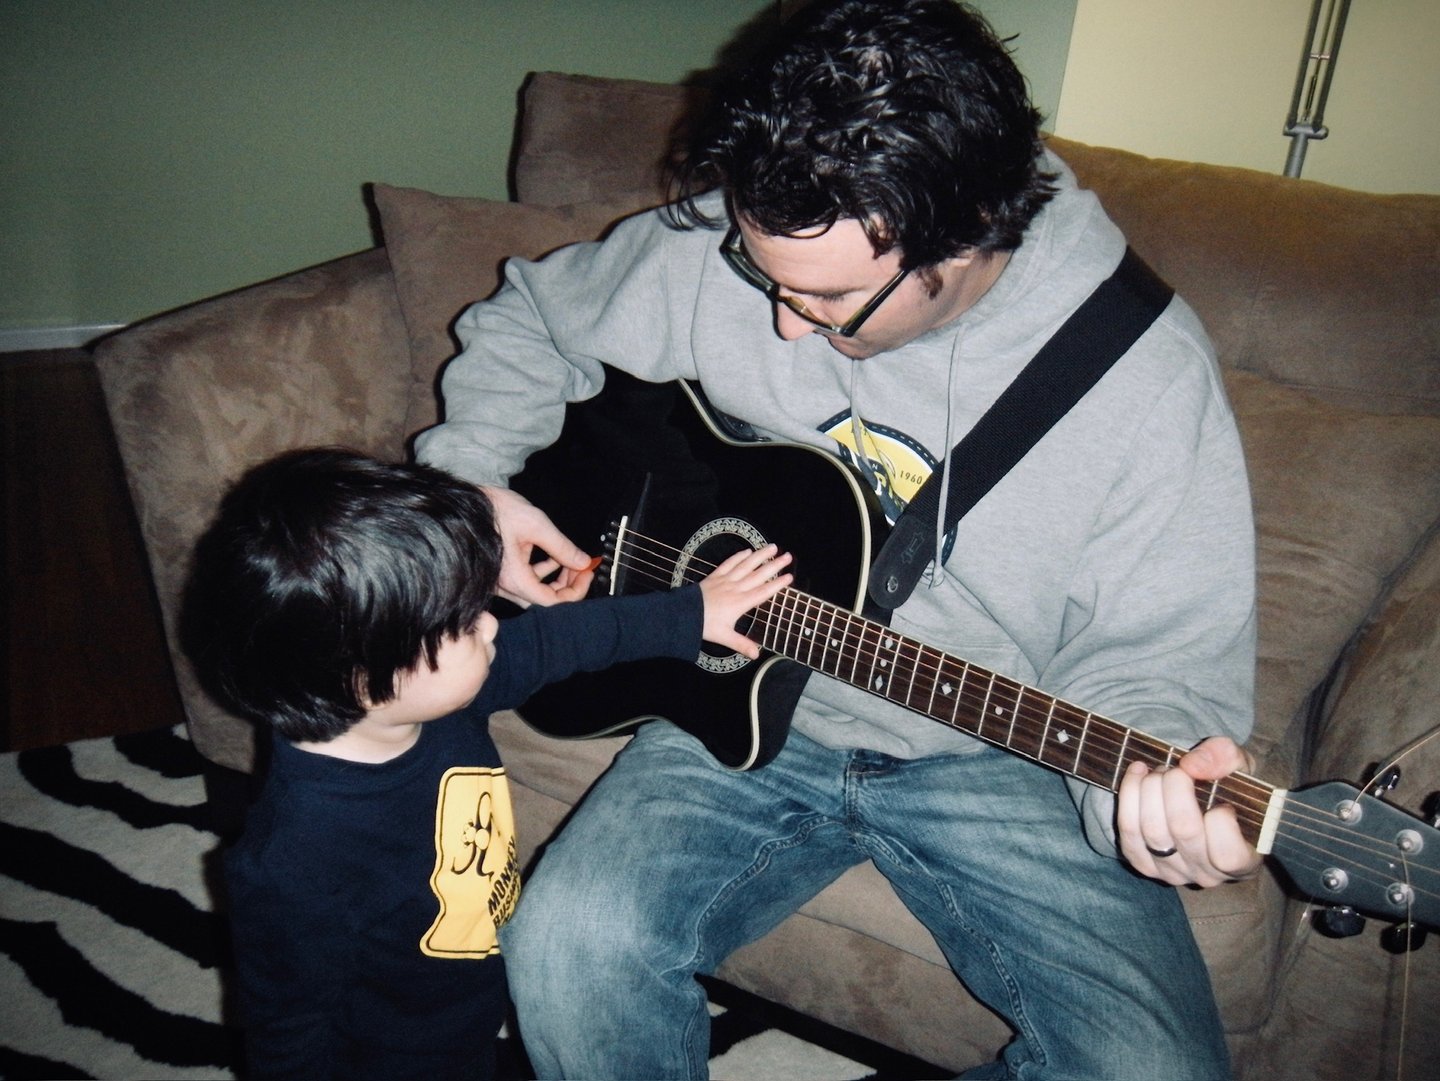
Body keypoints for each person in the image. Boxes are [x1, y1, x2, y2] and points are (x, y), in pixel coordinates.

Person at [414, 1, 1262, 1076]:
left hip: (998, 754)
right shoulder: (774, 220)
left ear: (969, 237)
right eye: (761, 272)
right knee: (568, 943)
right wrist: (472, 485)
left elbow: (1161, 657)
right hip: (741, 709)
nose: (781, 320)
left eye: (830, 300)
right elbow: (536, 317)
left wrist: (1151, 789)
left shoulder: (1144, 376)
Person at [183, 448, 792, 1081]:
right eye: (463, 625)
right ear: (365, 679)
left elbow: (555, 641)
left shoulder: (425, 702)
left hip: (470, 1016)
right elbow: (287, 1032)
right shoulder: (294, 863)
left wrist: (692, 612)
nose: (494, 627)